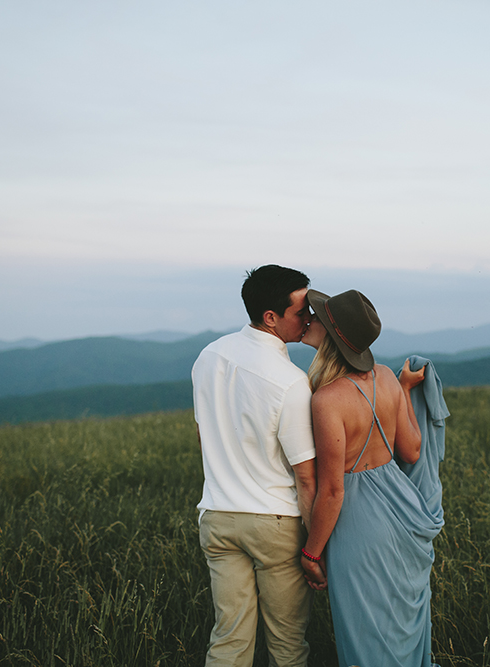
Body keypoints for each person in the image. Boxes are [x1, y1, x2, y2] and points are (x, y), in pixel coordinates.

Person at [299, 289, 445, 667]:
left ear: (331, 337)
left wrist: (311, 554)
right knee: (398, 625)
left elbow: (332, 490)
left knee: (366, 633)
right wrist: (404, 390)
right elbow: (411, 451)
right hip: (400, 507)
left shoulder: (327, 400)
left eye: (316, 317)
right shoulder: (385, 377)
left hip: (359, 523)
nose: (308, 319)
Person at [192, 264, 318, 667]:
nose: (309, 319)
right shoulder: (291, 381)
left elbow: (203, 434)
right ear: (271, 317)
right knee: (287, 644)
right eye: (302, 312)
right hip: (274, 523)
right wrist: (316, 549)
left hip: (217, 516)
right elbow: (305, 477)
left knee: (229, 640)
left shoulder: (208, 356)